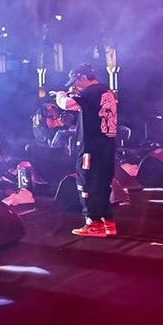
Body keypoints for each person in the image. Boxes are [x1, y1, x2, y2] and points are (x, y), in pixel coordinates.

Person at [55, 63, 119, 236]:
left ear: (83, 77)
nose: (75, 85)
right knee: (103, 183)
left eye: (76, 81)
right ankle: (108, 221)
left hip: (91, 146)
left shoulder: (92, 92)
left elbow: (67, 104)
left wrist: (60, 95)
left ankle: (93, 223)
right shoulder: (106, 91)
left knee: (86, 182)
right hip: (107, 144)